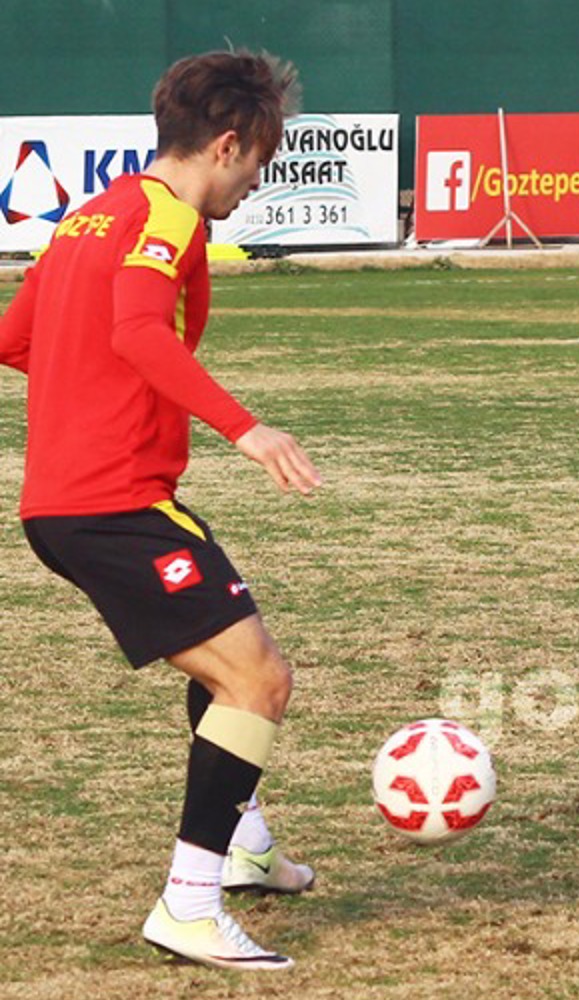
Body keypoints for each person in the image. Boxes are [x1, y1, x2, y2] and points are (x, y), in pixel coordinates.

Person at [0, 51, 322, 971]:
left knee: (227, 658)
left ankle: (244, 845)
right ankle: (188, 905)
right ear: (227, 143)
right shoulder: (168, 217)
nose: (253, 185)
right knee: (258, 680)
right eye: (257, 163)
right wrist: (246, 429)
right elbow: (140, 330)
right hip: (111, 505)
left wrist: (91, 383)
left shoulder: (89, 215)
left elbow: (14, 340)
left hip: (79, 501)